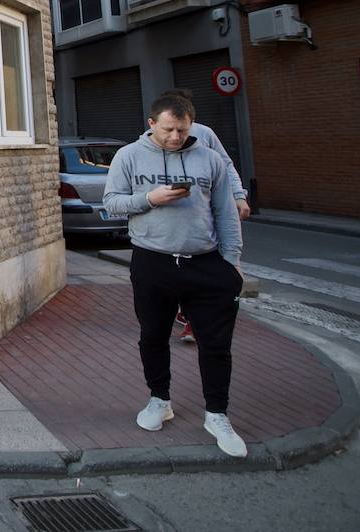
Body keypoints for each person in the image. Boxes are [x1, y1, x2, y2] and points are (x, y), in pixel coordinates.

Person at [104, 90, 247, 458]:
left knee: (216, 345)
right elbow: (112, 204)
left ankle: (216, 413)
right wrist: (149, 199)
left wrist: (231, 264)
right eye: (168, 129)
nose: (175, 138)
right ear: (151, 124)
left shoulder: (210, 159)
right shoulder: (129, 156)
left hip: (206, 262)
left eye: (182, 130)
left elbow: (226, 214)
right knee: (152, 336)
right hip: (154, 261)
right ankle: (159, 399)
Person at [159, 88, 251, 345]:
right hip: (175, 218)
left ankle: (197, 320)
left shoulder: (204, 134)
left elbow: (226, 164)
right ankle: (188, 314)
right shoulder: (154, 137)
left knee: (214, 269)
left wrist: (238, 195)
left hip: (207, 213)